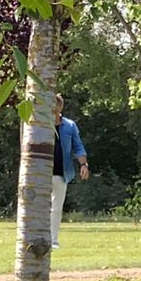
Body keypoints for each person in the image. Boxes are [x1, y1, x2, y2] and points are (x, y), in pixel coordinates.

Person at [48, 93, 90, 249]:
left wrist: (84, 165)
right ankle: (41, 237)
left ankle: (53, 240)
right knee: (42, 208)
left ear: (61, 107)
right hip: (42, 173)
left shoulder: (70, 126)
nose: (55, 112)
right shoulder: (41, 125)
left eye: (57, 108)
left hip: (61, 173)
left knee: (57, 208)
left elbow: (78, 146)